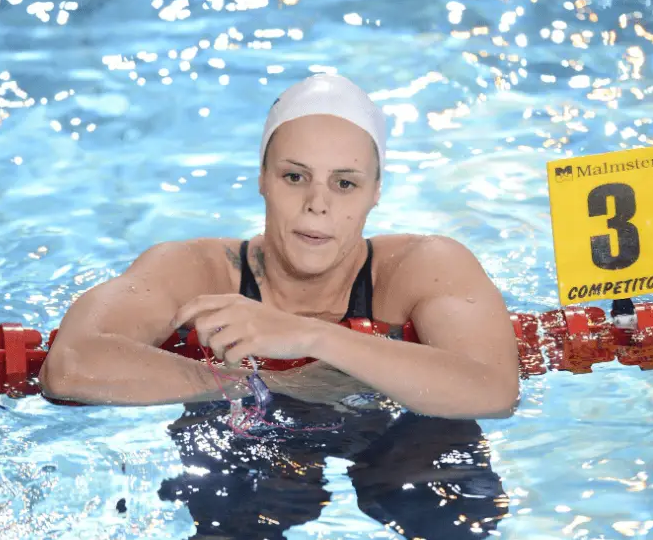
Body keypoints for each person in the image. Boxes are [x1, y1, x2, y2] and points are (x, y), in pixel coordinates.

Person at [38, 73, 519, 539]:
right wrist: (270, 383)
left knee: (447, 503)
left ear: (376, 192)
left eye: (345, 184)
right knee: (233, 493)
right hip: (250, 439)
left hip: (396, 434)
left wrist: (316, 337)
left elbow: (493, 390)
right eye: (295, 176)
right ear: (263, 179)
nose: (317, 204)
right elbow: (71, 366)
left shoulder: (422, 266)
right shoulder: (193, 270)